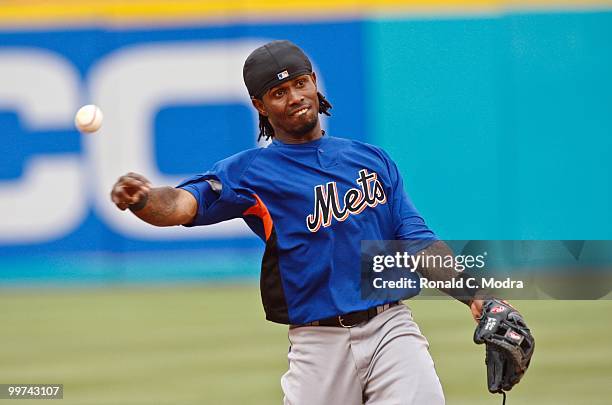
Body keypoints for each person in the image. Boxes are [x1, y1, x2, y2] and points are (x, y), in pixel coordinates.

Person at [111, 40, 485, 404]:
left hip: (391, 327)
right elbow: (182, 204)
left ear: (314, 83)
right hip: (318, 346)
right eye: (278, 92)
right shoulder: (250, 173)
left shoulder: (372, 160)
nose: (295, 96)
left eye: (300, 83)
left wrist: (476, 295)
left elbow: (417, 240)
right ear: (260, 106)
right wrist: (143, 200)